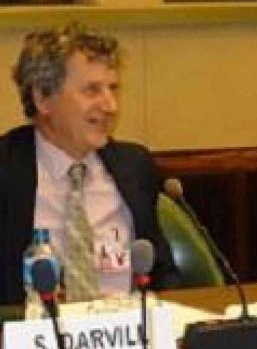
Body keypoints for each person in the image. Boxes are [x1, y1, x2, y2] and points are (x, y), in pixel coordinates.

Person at [0, 22, 180, 305]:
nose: (110, 106)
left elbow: (163, 274)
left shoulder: (134, 167)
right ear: (43, 97)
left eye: (112, 88)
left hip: (128, 337)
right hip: (35, 340)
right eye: (92, 90)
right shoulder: (7, 170)